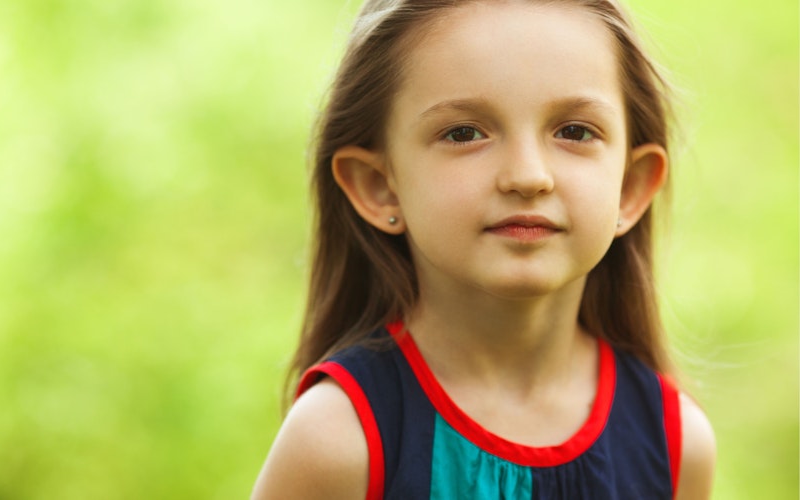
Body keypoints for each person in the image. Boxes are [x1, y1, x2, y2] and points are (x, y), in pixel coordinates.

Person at [253, 0, 716, 498]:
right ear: (379, 186)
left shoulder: (675, 444)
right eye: (464, 133)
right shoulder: (337, 441)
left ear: (631, 187)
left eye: (575, 132)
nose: (528, 176)